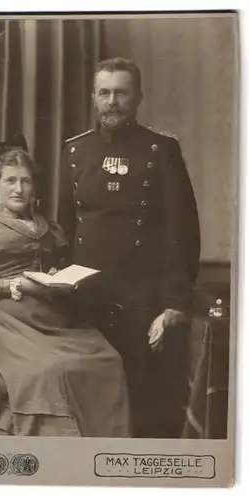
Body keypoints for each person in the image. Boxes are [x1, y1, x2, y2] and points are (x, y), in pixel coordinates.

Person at [0, 147, 131, 437]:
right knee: (45, 371)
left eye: (26, 181)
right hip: (1, 320)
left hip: (52, 317)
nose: (19, 189)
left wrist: (56, 278)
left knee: (108, 360)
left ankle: (99, 451)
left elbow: (59, 267)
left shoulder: (49, 228)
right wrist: (12, 284)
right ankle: (49, 455)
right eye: (11, 180)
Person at [58, 57, 201, 438]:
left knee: (145, 402)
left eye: (121, 93)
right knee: (91, 398)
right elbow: (63, 231)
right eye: (104, 93)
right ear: (93, 98)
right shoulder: (74, 152)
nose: (112, 101)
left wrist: (175, 303)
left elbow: (182, 230)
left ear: (138, 98)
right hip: (87, 295)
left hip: (144, 298)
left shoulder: (161, 150)